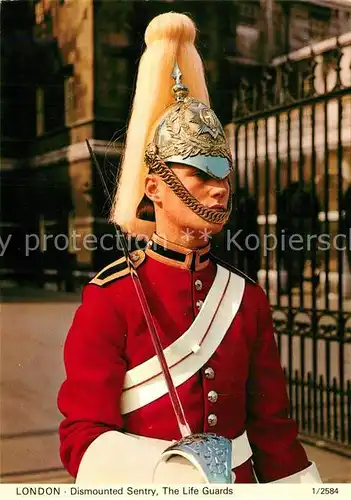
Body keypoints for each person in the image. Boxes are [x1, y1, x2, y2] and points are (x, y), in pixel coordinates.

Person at [57, 12, 322, 484]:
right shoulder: (110, 296)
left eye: (223, 176)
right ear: (155, 189)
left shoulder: (246, 297)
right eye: (200, 175)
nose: (218, 190)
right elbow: (84, 436)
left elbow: (273, 432)